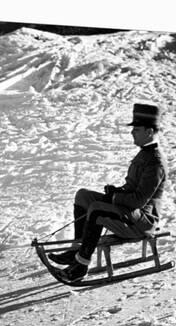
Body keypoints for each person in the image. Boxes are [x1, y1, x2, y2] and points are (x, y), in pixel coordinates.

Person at [48, 103, 168, 281]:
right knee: (83, 196)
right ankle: (77, 250)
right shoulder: (145, 155)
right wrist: (116, 191)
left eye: (136, 129)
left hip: (142, 223)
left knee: (97, 208)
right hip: (131, 215)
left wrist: (114, 197)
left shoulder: (155, 162)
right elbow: (132, 190)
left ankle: (81, 265)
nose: (132, 132)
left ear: (149, 132)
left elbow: (138, 201)